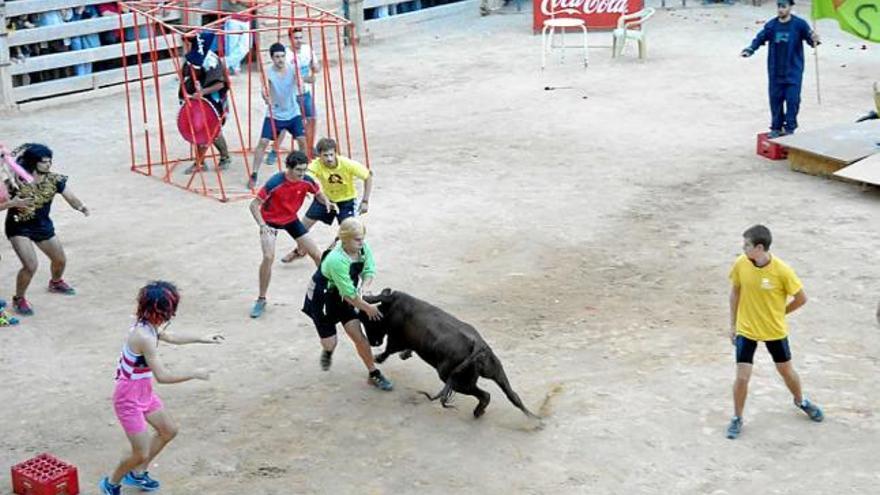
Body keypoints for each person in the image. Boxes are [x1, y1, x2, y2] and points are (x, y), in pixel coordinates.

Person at [98, 281, 223, 495]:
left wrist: (201, 338)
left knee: (168, 431)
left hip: (142, 392)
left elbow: (172, 337)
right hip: (128, 399)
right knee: (140, 452)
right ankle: (111, 484)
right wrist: (194, 373)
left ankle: (137, 475)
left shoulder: (148, 325)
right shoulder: (144, 336)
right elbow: (163, 377)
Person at [726, 224, 824, 440]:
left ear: (759, 248)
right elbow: (735, 293)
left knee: (786, 371)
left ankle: (800, 401)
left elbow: (801, 298)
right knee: (742, 377)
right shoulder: (741, 264)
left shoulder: (782, 271)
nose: (743, 249)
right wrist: (733, 325)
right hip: (747, 330)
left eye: (747, 245)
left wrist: (781, 313)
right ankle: (737, 417)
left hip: (774, 331)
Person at [301, 217, 392, 390]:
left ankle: (373, 373)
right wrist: (368, 308)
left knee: (358, 336)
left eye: (362, 238)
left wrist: (363, 289)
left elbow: (369, 270)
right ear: (345, 239)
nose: (362, 243)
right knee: (330, 343)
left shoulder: (362, 249)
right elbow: (349, 295)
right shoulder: (337, 259)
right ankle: (328, 351)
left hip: (345, 295)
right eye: (357, 239)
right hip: (323, 298)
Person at [248, 151, 335, 318]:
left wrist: (327, 202)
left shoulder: (306, 180)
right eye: (299, 171)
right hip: (270, 221)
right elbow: (254, 205)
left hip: (290, 219)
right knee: (268, 257)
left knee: (316, 254)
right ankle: (261, 299)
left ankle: (329, 290)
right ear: (289, 168)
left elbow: (318, 193)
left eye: (304, 170)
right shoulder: (275, 182)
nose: (302, 174)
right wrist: (262, 225)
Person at [4, 144, 88, 316]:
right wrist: (13, 203)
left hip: (42, 225)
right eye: (44, 162)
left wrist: (81, 206)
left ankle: (56, 282)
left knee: (60, 260)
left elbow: (70, 196)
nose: (49, 164)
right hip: (19, 226)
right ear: (34, 163)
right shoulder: (14, 182)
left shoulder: (54, 179)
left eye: (50, 161)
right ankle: (19, 299)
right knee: (30, 265)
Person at [280, 138, 372, 263]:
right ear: (319, 155)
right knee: (301, 227)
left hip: (347, 201)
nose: (329, 158)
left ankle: (329, 254)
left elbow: (368, 176)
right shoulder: (315, 165)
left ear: (336, 153)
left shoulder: (347, 164)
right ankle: (300, 251)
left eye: (331, 155)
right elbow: (305, 178)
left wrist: (365, 201)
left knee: (347, 231)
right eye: (325, 155)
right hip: (325, 200)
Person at [741, 0, 819, 138]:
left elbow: (811, 40)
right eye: (779, 6)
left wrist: (815, 39)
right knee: (775, 101)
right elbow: (759, 38)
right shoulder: (771, 25)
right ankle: (776, 127)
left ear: (790, 7)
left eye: (784, 7)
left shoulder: (799, 24)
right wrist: (750, 49)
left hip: (793, 71)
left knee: (793, 100)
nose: (780, 10)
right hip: (775, 71)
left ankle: (790, 128)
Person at [247, 43, 307, 189]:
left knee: (302, 141)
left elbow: (301, 83)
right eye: (277, 57)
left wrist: (301, 84)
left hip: (293, 113)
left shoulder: (293, 68)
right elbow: (265, 89)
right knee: (262, 142)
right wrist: (265, 96)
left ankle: (302, 171)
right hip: (274, 114)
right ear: (272, 58)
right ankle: (254, 173)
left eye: (282, 56)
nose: (280, 59)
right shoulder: (268, 72)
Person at [265, 27, 320, 167]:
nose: (299, 41)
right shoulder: (286, 54)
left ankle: (309, 147)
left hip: (304, 92)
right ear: (290, 39)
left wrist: (314, 66)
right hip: (290, 95)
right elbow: (291, 76)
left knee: (312, 118)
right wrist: (306, 78)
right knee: (284, 125)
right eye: (296, 38)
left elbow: (317, 68)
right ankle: (274, 150)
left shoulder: (308, 49)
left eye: (301, 37)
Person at [179, 31, 232, 174]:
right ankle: (203, 161)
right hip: (197, 100)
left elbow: (220, 84)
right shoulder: (191, 58)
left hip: (212, 100)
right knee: (200, 129)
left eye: (187, 43)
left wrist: (202, 92)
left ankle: (211, 160)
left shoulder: (211, 60)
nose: (184, 46)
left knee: (209, 129)